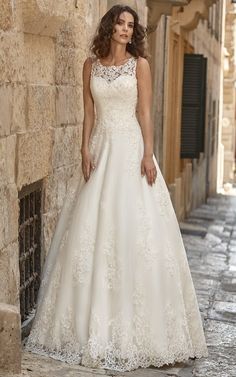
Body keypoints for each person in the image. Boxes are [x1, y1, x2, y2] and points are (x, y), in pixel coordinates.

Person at [24, 4, 208, 372]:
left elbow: (144, 112)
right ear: (109, 27)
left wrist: (149, 154)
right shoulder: (90, 66)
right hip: (100, 150)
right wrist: (83, 148)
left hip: (131, 151)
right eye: (120, 23)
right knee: (91, 232)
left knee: (133, 231)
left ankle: (141, 331)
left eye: (130, 25)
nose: (125, 29)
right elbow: (89, 112)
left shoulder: (140, 65)